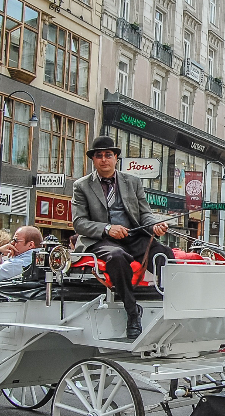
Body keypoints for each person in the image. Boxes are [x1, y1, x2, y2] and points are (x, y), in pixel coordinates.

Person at [72, 136, 175, 340]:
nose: (104, 160)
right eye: (99, 156)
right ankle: (132, 312)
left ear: (116, 158)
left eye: (108, 155)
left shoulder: (132, 181)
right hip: (102, 240)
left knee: (164, 253)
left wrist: (154, 225)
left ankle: (170, 304)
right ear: (93, 159)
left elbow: (144, 213)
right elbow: (79, 223)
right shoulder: (82, 186)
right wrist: (107, 228)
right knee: (117, 257)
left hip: (133, 235)